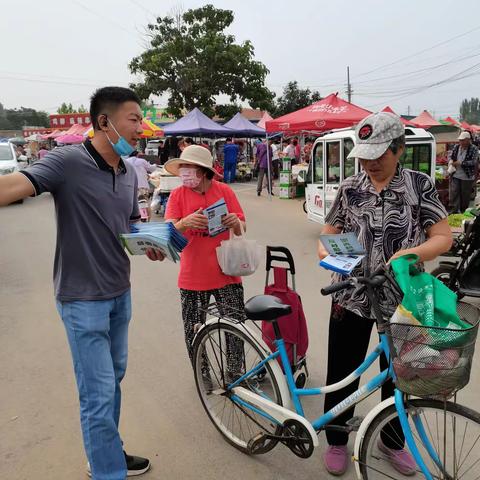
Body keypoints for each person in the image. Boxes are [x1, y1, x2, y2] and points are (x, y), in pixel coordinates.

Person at [0, 86, 166, 479]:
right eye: (134, 119)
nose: (142, 127)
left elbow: (128, 224)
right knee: (98, 393)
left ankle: (108, 451)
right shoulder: (67, 161)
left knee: (113, 382)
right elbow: (12, 187)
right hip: (82, 299)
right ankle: (107, 471)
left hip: (118, 293)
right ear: (104, 122)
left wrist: (150, 241)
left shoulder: (126, 172)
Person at [317, 112, 452, 476]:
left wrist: (412, 253)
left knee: (400, 376)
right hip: (353, 296)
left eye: (379, 154)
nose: (370, 163)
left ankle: (392, 440)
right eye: (364, 155)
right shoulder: (349, 188)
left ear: (399, 149)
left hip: (406, 298)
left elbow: (443, 237)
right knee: (343, 370)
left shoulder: (419, 185)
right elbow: (328, 236)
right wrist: (331, 256)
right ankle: (336, 439)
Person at [163, 145, 246, 371]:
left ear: (204, 171)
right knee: (194, 330)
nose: (185, 173)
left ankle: (235, 374)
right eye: (183, 168)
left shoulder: (224, 191)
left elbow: (242, 226)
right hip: (192, 278)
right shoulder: (177, 195)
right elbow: (167, 232)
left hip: (227, 273)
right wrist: (184, 223)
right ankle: (203, 376)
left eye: (190, 168)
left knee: (236, 328)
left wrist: (235, 223)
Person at [448, 131, 479, 213]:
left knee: (465, 195)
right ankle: (454, 212)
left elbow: (474, 162)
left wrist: (461, 163)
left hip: (467, 176)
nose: (460, 142)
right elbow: (451, 156)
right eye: (460, 140)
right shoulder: (456, 147)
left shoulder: (474, 149)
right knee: (454, 193)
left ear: (468, 140)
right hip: (455, 175)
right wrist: (451, 161)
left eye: (463, 140)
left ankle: (463, 211)